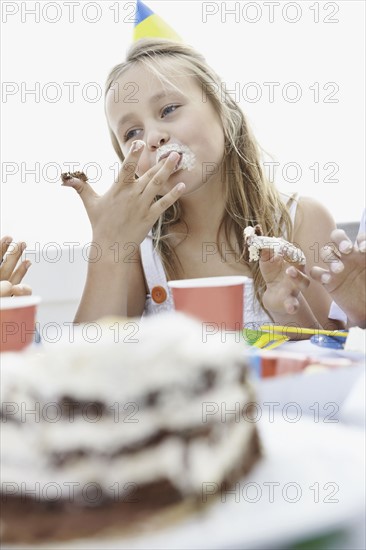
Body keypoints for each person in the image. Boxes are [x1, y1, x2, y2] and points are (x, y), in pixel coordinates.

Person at [63, 39, 341, 331]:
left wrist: (286, 313)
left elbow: (332, 362)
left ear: (222, 110)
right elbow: (86, 361)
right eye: (133, 132)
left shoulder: (302, 220)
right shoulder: (138, 249)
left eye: (168, 109)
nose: (153, 136)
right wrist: (107, 246)